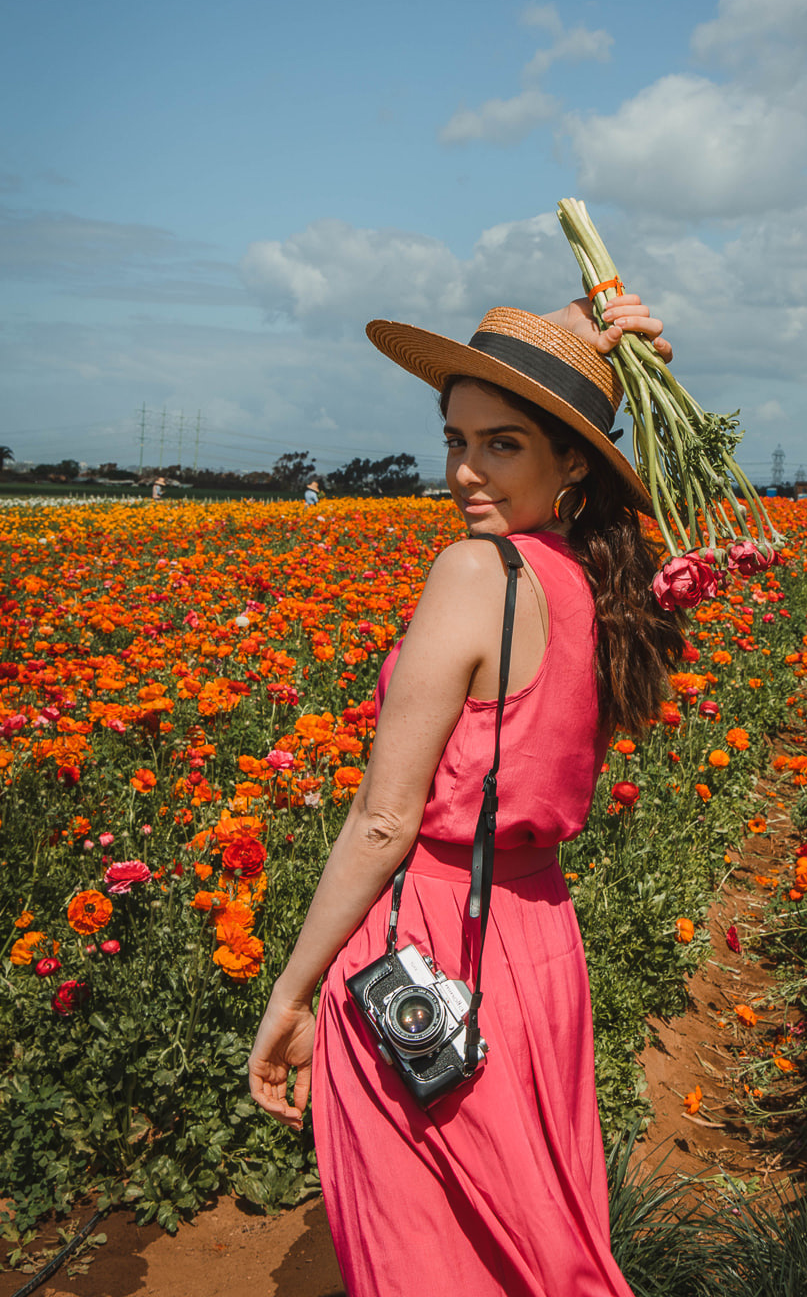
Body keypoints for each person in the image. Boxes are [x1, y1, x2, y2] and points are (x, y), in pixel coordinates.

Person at [249, 293, 684, 1297]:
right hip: (538, 939)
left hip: (437, 939)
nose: (463, 473)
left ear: (572, 459)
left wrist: (296, 986)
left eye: (501, 444)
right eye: (454, 440)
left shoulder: (471, 571)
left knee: (431, 1259)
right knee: (538, 1237)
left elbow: (385, 817)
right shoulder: (593, 580)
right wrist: (593, 333)